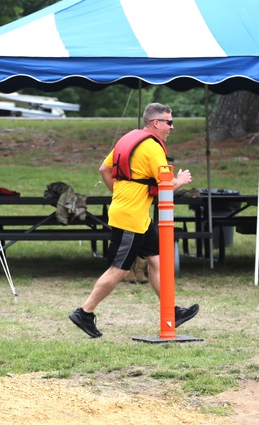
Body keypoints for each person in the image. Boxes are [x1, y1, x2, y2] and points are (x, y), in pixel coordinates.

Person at [69, 103, 199, 338]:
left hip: (136, 214)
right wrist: (180, 180)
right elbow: (164, 186)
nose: (172, 127)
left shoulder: (129, 138)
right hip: (131, 217)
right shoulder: (152, 148)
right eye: (169, 122)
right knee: (119, 269)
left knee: (158, 260)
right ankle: (84, 312)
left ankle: (171, 310)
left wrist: (119, 194)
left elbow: (103, 169)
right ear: (156, 123)